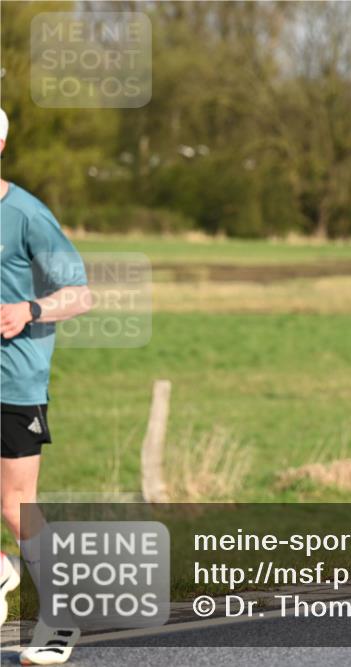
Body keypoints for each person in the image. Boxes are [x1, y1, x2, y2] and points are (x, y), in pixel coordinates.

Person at [0, 107, 92, 664]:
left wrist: (28, 308)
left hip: (14, 380)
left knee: (16, 507)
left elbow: (81, 294)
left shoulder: (28, 215)